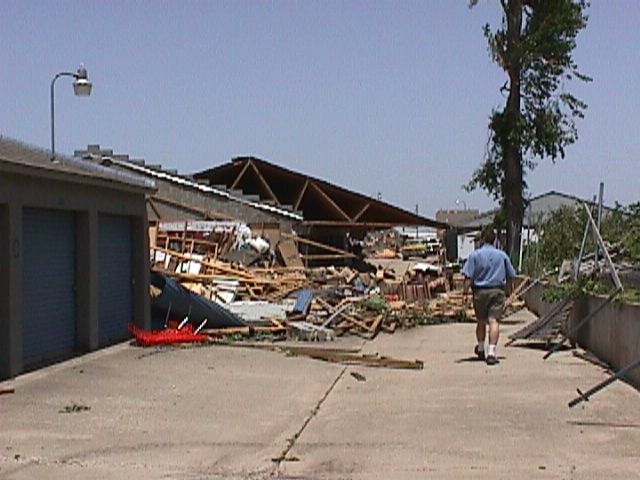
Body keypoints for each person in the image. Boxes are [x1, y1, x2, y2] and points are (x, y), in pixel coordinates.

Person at [462, 227, 517, 365]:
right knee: (494, 321)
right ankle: (491, 352)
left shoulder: (475, 255)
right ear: (494, 240)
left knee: (481, 321)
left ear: (482, 239)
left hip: (480, 292)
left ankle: (481, 348)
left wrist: (465, 293)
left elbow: (468, 276)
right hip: (497, 291)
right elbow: (510, 276)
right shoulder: (502, 255)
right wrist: (511, 292)